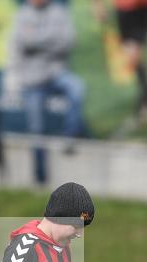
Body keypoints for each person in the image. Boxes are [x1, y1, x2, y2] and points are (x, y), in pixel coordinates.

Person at [11, 0, 87, 185]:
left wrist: (37, 40)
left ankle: (70, 135)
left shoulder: (58, 12)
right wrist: (50, 38)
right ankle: (40, 177)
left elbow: (69, 41)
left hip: (56, 74)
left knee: (77, 87)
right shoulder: (23, 14)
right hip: (33, 79)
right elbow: (23, 41)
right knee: (36, 129)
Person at [95, 0, 147, 115]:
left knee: (134, 53)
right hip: (125, 7)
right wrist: (98, 5)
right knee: (132, 53)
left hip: (144, 6)